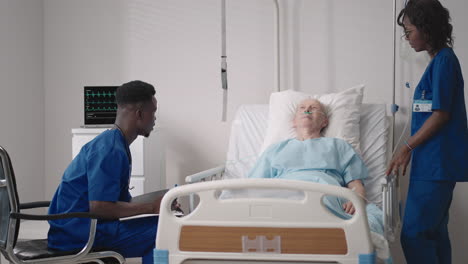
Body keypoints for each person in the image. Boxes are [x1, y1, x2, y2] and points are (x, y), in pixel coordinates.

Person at [386, 1, 468, 263]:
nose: (407, 38)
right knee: (434, 233)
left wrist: (406, 148)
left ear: (426, 28)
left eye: (409, 31)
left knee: (414, 234)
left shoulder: (444, 62)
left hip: (437, 165)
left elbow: (440, 115)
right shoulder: (439, 63)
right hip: (433, 164)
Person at [48, 80, 160, 262]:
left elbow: (117, 202)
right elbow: (100, 207)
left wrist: (160, 199)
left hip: (79, 229)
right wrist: (151, 207)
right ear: (139, 114)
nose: (155, 118)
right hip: (79, 236)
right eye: (153, 112)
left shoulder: (113, 143)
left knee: (163, 224)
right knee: (163, 230)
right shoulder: (110, 150)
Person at [248, 99, 368, 216]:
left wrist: (356, 199)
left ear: (324, 122)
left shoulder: (339, 146)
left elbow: (356, 184)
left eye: (314, 108)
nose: (307, 110)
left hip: (325, 194)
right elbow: (253, 186)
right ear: (294, 121)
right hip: (283, 195)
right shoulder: (275, 149)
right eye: (302, 108)